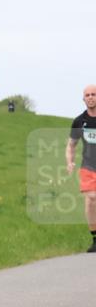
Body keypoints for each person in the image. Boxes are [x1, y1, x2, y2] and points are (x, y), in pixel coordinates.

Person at [66, 84, 96, 253]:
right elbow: (71, 145)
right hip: (89, 166)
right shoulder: (79, 121)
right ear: (83, 99)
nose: (90, 97)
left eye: (93, 94)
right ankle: (95, 239)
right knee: (91, 199)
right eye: (87, 95)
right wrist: (69, 162)